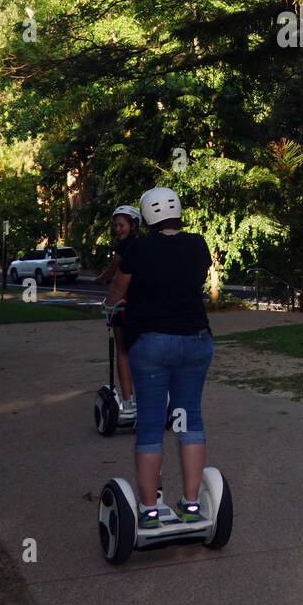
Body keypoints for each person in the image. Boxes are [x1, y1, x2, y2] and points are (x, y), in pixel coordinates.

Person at [104, 187, 213, 529]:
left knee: (151, 423)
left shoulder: (139, 247)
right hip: (195, 341)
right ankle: (192, 505)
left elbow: (117, 291)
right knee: (188, 418)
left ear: (147, 216)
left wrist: (112, 306)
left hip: (151, 344)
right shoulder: (198, 244)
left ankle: (150, 511)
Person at [94, 205, 141, 419]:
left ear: (133, 225)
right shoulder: (145, 244)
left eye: (121, 225)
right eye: (116, 225)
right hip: (144, 306)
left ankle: (127, 402)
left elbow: (112, 270)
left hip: (124, 304)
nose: (117, 229)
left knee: (122, 351)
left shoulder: (125, 248)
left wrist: (100, 279)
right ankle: (147, 399)